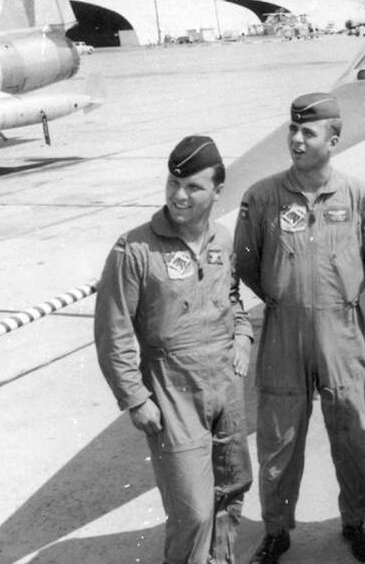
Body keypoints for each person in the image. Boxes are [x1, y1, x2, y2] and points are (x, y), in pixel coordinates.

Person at [234, 93, 365, 563]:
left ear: (333, 140)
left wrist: (340, 294)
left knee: (354, 435)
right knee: (278, 442)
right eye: (293, 130)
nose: (296, 140)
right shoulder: (261, 197)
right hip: (284, 331)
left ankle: (356, 523)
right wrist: (284, 296)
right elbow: (246, 263)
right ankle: (276, 531)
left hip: (342, 332)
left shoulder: (358, 196)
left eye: (308, 132)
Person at [94, 136, 253, 564]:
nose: (179, 196)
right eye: (173, 183)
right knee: (193, 512)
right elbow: (112, 331)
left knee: (233, 485)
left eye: (193, 187)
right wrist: (134, 398)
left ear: (218, 191)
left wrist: (243, 335)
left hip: (225, 385)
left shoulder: (221, 240)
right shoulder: (135, 250)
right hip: (172, 390)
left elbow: (232, 299)